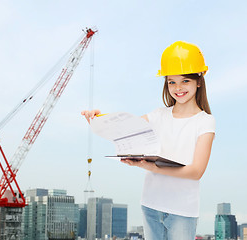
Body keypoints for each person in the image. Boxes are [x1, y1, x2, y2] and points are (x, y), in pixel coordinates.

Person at [81, 41, 215, 240]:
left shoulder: (205, 121)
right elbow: (126, 127)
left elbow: (196, 172)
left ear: (199, 80)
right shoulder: (158, 116)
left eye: (185, 81)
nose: (178, 88)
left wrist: (152, 168)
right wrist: (99, 117)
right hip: (151, 206)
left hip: (182, 212)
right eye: (171, 82)